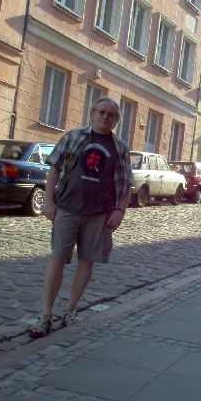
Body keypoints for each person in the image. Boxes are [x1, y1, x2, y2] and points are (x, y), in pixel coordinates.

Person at [29, 96, 133, 338]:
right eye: (101, 112)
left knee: (87, 261)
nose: (105, 117)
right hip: (67, 208)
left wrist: (119, 210)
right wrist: (49, 201)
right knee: (57, 258)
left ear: (116, 120)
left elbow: (127, 183)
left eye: (111, 114)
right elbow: (54, 168)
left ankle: (70, 310)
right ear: (92, 113)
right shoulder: (73, 137)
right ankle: (46, 315)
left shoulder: (119, 147)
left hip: (100, 213)